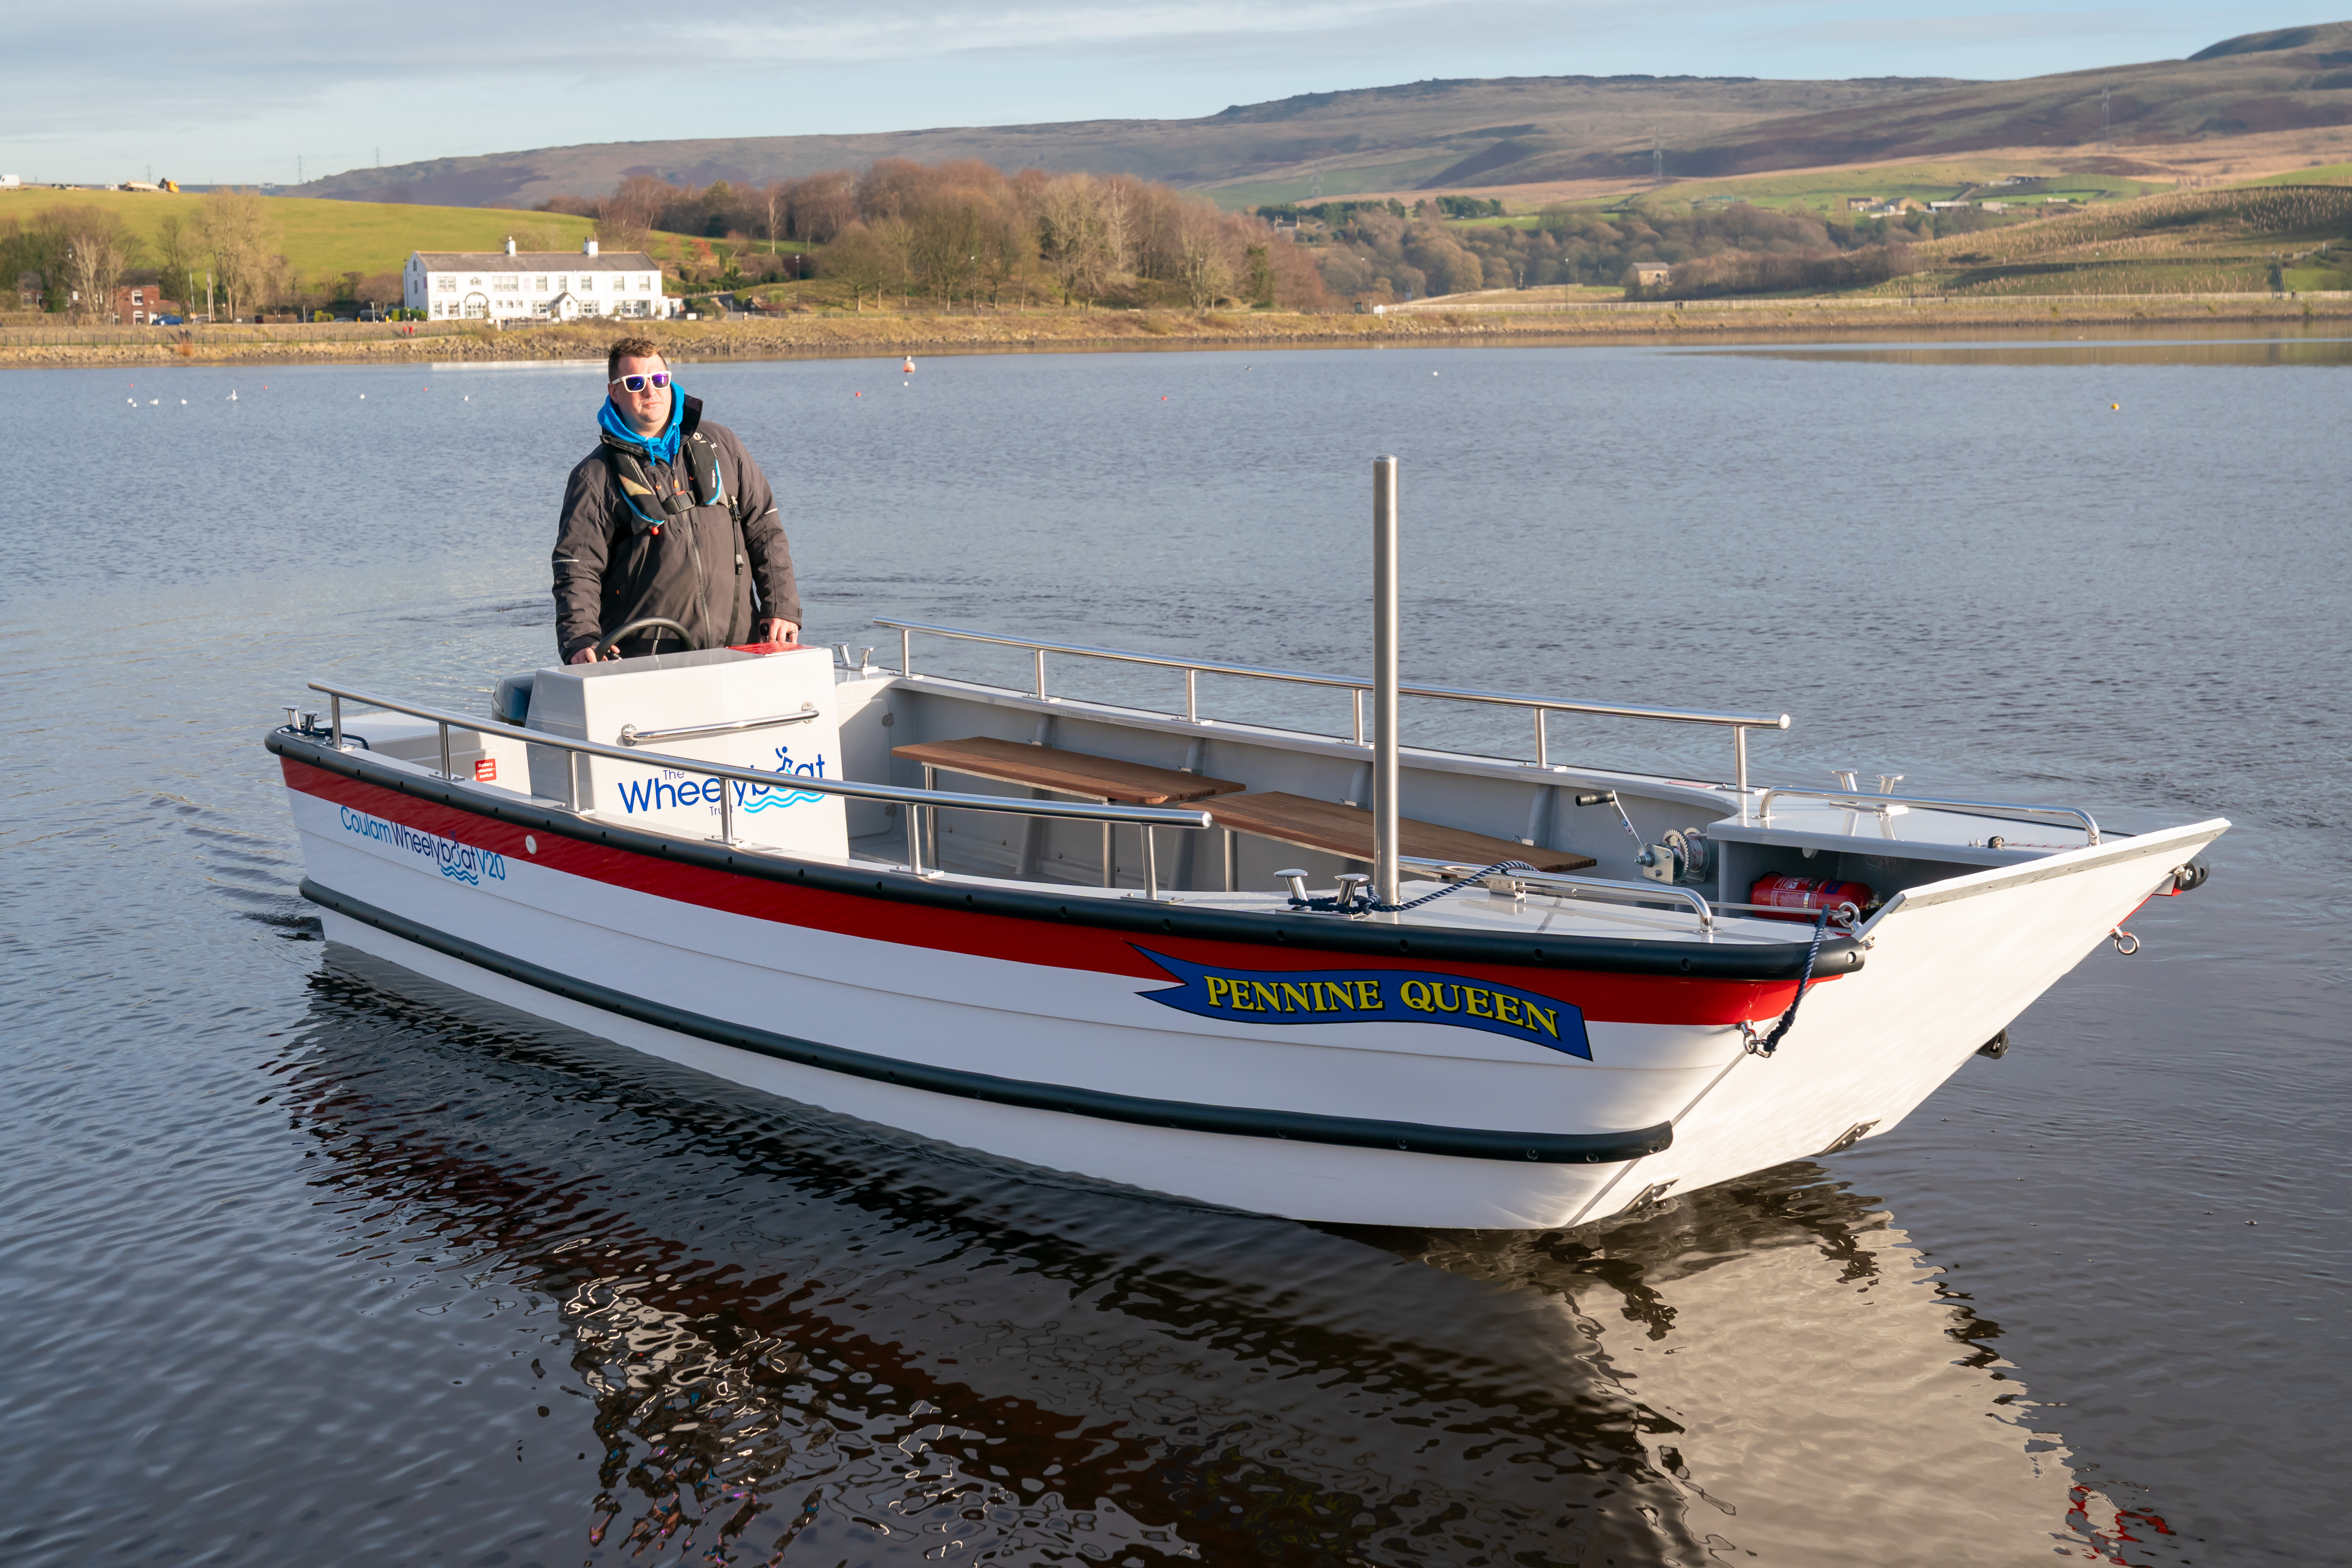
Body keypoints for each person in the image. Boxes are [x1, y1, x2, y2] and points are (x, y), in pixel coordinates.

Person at [553, 337, 799, 664]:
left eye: (659, 379)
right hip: (648, 664)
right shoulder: (593, 477)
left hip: (740, 651)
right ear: (614, 392)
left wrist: (781, 606)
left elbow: (765, 530)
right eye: (635, 382)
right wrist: (580, 640)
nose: (650, 391)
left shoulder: (722, 445)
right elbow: (576, 570)